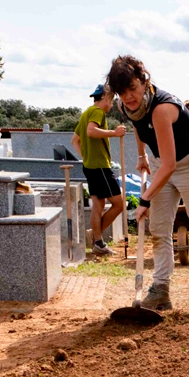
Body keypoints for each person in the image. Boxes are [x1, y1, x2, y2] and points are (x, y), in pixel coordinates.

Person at [105, 55, 189, 313]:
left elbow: (170, 166)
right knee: (159, 229)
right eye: (122, 92)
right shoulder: (126, 106)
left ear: (144, 81)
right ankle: (160, 291)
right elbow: (138, 127)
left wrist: (144, 200)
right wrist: (142, 156)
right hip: (161, 161)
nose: (129, 97)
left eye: (132, 88)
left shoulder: (163, 108)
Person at [71, 84, 127, 256]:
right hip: (100, 166)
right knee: (119, 204)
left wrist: (86, 157)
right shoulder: (97, 112)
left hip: (90, 166)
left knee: (99, 204)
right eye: (111, 100)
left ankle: (98, 242)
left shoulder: (86, 113)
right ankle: (96, 238)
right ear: (105, 97)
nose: (111, 104)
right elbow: (91, 132)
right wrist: (114, 133)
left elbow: (75, 140)